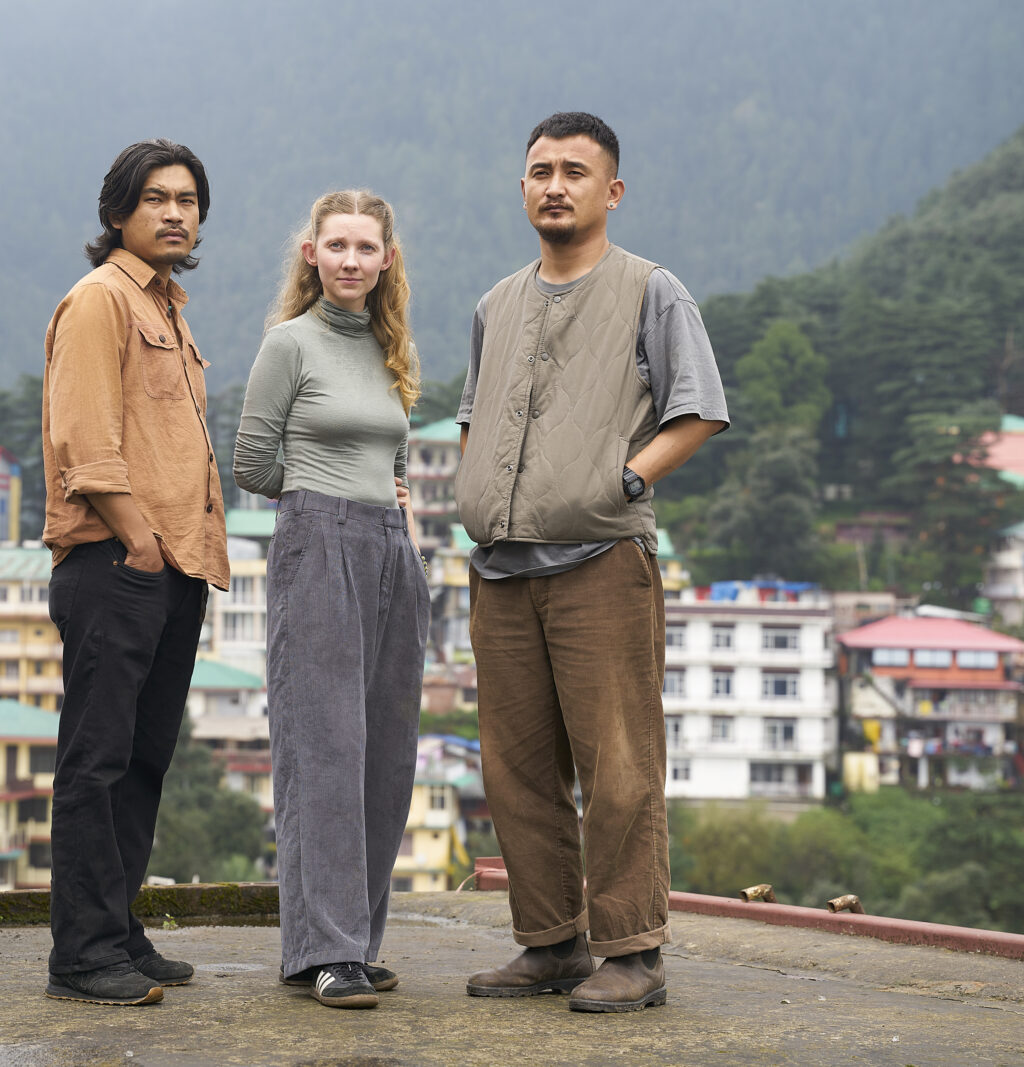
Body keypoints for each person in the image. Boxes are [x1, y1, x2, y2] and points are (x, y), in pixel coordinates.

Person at [455, 112, 729, 1013]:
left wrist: (623, 476)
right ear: (522, 185)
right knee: (516, 765)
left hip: (602, 557)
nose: (555, 185)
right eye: (540, 170)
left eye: (575, 171)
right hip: (501, 568)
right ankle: (549, 941)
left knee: (618, 761)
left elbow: (698, 410)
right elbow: (473, 418)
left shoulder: (653, 290)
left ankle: (635, 950)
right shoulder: (496, 304)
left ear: (611, 190)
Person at [40, 139, 229, 1007]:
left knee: (145, 758)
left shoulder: (171, 310)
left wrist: (171, 553)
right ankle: (82, 952)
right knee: (97, 761)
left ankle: (119, 931)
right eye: (155, 197)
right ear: (117, 212)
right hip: (117, 561)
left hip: (170, 565)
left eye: (187, 199)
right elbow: (86, 440)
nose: (174, 212)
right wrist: (140, 541)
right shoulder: (99, 301)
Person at [234, 189, 429, 1010]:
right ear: (311, 253)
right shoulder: (290, 343)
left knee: (385, 754)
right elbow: (250, 460)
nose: (352, 260)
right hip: (318, 543)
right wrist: (318, 500)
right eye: (337, 245)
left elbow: (392, 458)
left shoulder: (392, 349)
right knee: (326, 748)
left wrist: (380, 507)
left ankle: (354, 942)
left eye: (366, 247)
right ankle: (326, 949)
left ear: (387, 259)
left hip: (392, 547)